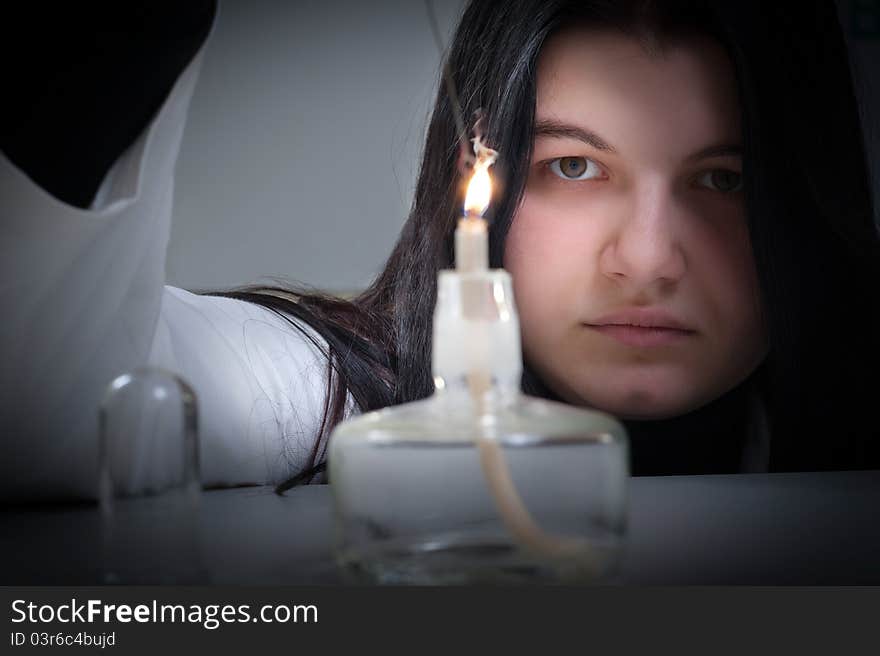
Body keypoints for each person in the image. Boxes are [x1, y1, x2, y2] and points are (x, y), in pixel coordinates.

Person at [2, 0, 878, 500]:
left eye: (722, 180)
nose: (646, 260)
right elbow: (53, 410)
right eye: (573, 165)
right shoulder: (341, 397)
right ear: (476, 173)